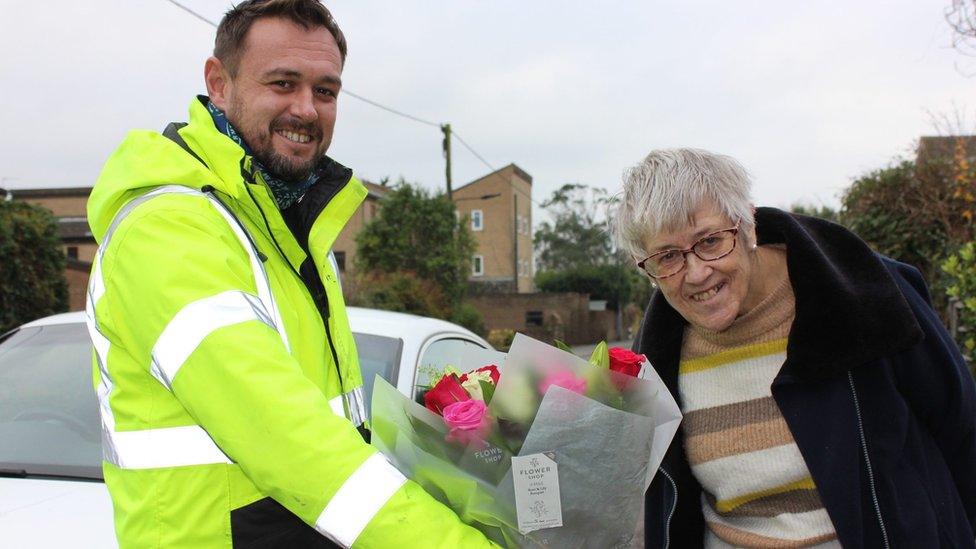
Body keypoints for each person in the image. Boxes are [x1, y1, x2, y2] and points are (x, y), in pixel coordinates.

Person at [84, 1, 496, 547]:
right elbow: (289, 440)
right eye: (283, 83)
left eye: (325, 92)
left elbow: (339, 430)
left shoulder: (288, 231)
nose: (306, 109)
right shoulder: (169, 230)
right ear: (219, 83)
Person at [614, 148, 976, 548]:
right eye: (668, 256)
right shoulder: (654, 359)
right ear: (645, 265)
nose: (697, 273)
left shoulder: (869, 297)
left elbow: (963, 430)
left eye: (711, 240)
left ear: (748, 224)